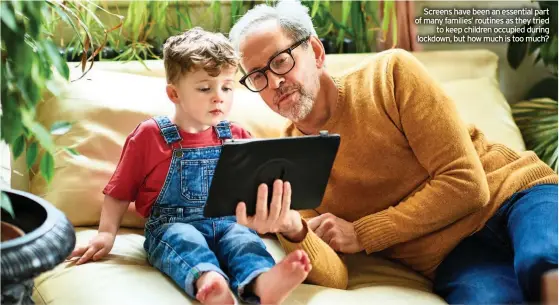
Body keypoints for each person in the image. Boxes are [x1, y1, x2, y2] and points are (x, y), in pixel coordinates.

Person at [228, 1, 559, 304]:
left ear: (315, 51)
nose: (273, 83)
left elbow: (467, 184)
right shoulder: (290, 164)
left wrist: (362, 232)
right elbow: (336, 276)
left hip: (516, 195)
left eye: (281, 61)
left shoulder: (390, 74)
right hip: (453, 256)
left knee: (544, 261)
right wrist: (292, 227)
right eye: (258, 75)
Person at [67, 27, 311, 305]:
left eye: (227, 87)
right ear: (174, 94)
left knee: (244, 241)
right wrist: (106, 234)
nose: (219, 96)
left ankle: (262, 280)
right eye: (205, 88)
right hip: (172, 223)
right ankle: (209, 281)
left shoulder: (236, 136)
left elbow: (253, 190)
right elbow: (120, 190)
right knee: (184, 240)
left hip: (229, 222)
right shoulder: (150, 135)